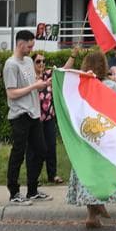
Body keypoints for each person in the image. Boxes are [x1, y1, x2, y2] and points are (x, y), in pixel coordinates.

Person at [69, 50, 116, 228]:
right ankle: (98, 207)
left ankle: (93, 214)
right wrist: (115, 84)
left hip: (85, 135)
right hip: (104, 135)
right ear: (103, 66)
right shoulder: (109, 86)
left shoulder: (79, 86)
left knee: (88, 172)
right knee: (103, 171)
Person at [4, 29, 51, 204]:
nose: (31, 49)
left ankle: (32, 189)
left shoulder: (29, 61)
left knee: (41, 150)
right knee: (18, 153)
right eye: (29, 46)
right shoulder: (11, 65)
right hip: (19, 115)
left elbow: (31, 85)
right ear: (20, 44)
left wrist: (42, 85)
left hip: (33, 113)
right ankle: (14, 193)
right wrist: (33, 87)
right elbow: (12, 94)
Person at [37, 50, 76, 184]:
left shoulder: (48, 74)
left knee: (51, 146)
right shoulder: (29, 77)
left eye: (43, 61)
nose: (41, 64)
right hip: (35, 119)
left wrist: (73, 55)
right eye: (38, 61)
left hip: (49, 117)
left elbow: (65, 69)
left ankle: (52, 174)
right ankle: (34, 177)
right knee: (37, 149)